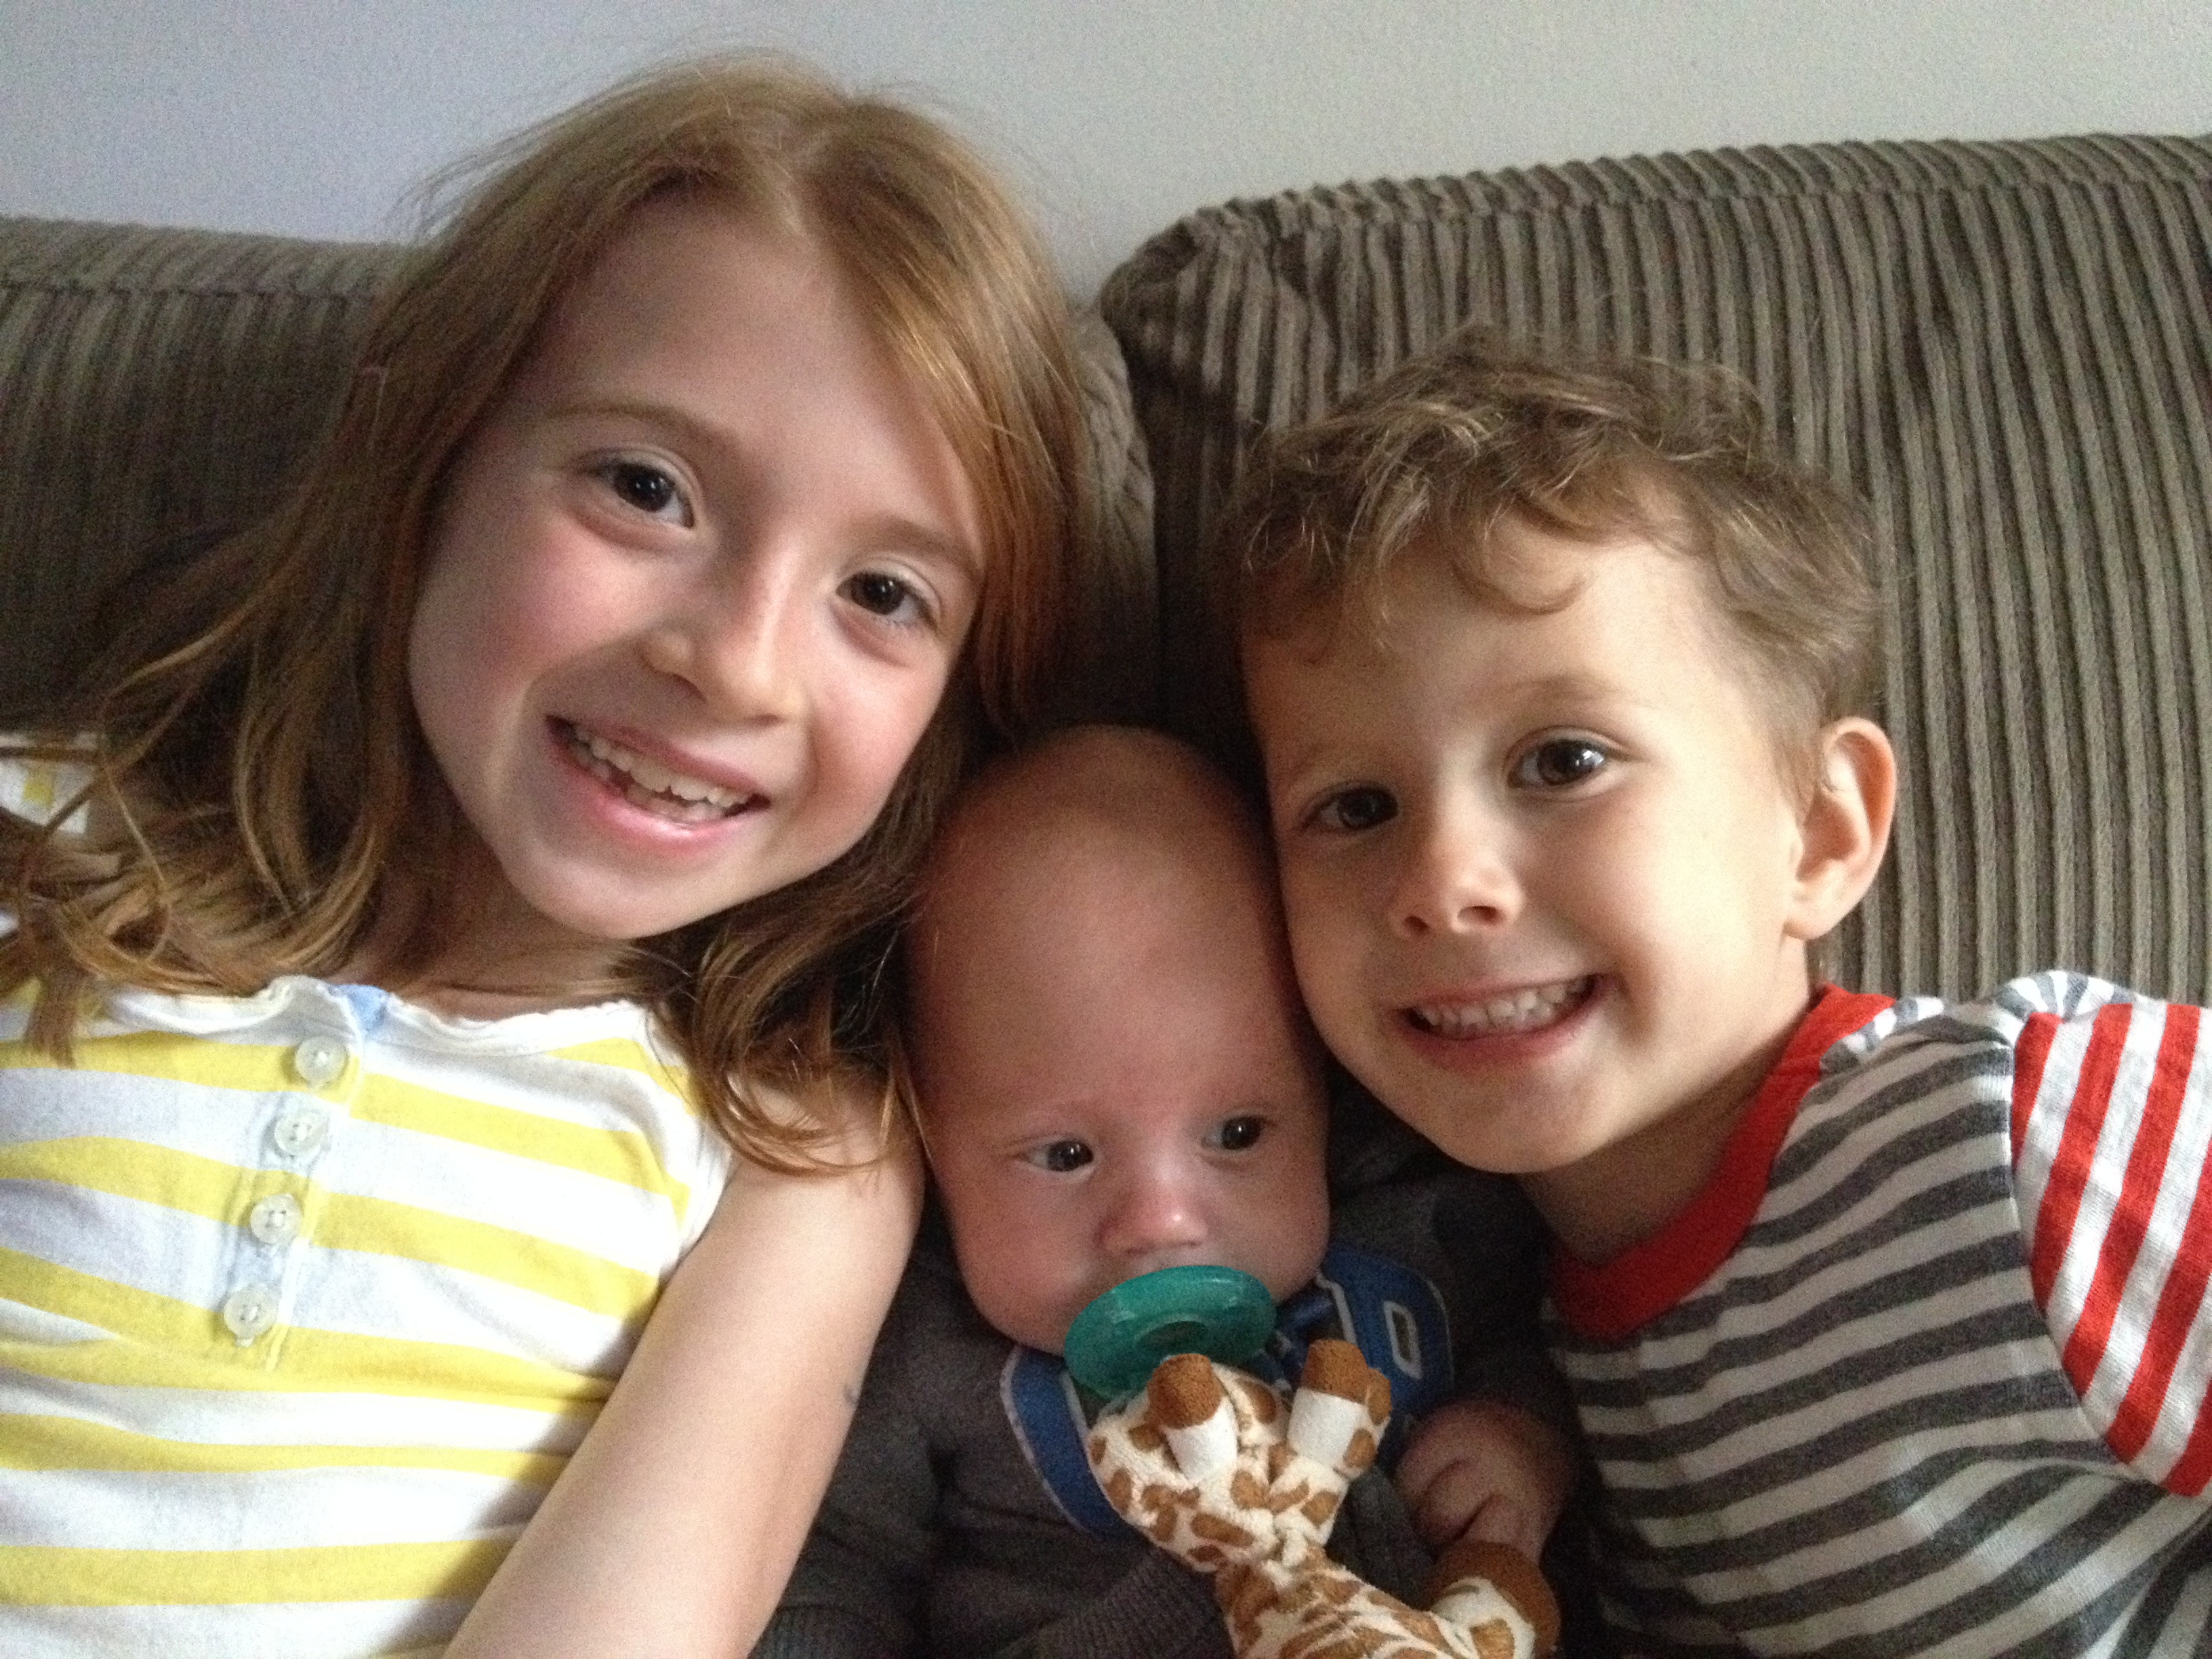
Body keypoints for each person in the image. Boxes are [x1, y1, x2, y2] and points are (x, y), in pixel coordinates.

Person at [0, 56, 1088, 1658]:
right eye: (648, 490)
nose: (739, 666)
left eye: (882, 596)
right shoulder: (35, 850)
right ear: (424, 449)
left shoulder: (792, 1142)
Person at [1223, 327, 2212, 1654]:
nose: (1443, 881)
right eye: (1354, 806)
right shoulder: (1503, 1328)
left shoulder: (2033, 1137)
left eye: (1564, 761)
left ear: (1817, 831)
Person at [757, 723, 1577, 1658]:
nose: (1161, 1222)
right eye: (1066, 1154)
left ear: (1322, 1092)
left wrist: (1525, 1440)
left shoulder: (1420, 1233)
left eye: (1238, 1135)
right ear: (930, 1143)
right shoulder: (920, 1357)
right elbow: (822, 1569)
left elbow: (1552, 1346)